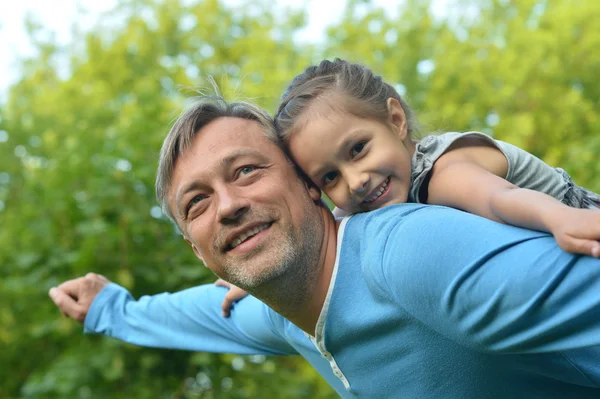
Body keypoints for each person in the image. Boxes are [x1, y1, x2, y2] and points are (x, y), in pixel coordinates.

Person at [50, 93, 600, 398]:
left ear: (311, 187)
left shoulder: (407, 253)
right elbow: (193, 315)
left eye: (246, 171)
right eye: (197, 203)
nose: (227, 206)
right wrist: (107, 308)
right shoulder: (277, 313)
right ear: (200, 252)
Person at [217, 58, 600, 313]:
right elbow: (318, 243)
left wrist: (559, 218)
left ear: (396, 119)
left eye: (357, 149)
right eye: (329, 177)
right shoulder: (365, 200)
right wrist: (262, 281)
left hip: (578, 226)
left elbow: (501, 199)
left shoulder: (442, 169)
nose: (356, 181)